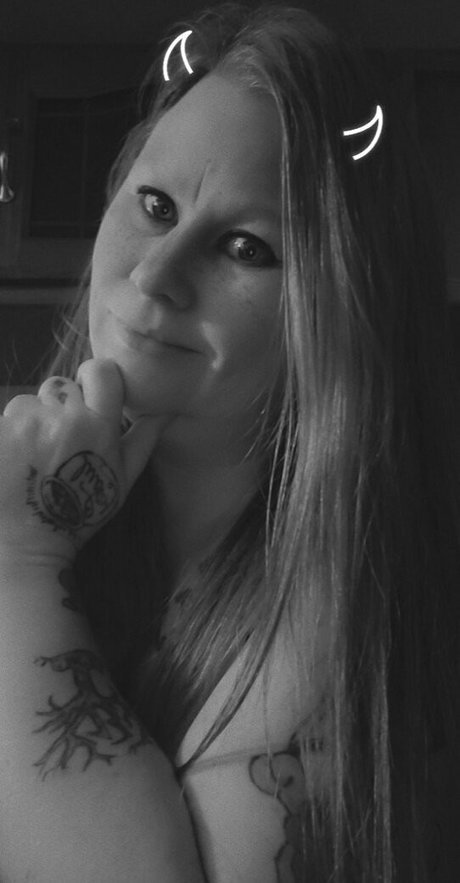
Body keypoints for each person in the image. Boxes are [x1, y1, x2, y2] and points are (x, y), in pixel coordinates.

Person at [0, 1, 458, 880]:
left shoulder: (339, 623)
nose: (155, 274)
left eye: (246, 247)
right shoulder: (43, 485)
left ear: (342, 314)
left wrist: (20, 558)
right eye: (156, 205)